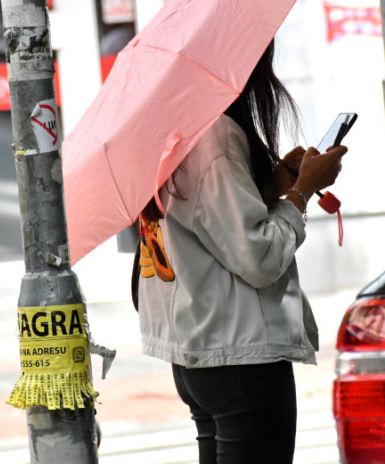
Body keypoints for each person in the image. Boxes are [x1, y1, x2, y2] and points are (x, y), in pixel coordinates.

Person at [135, 40, 347, 463]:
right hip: (240, 355)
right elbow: (259, 256)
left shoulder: (172, 128)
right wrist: (302, 192)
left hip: (200, 353)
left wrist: (274, 183)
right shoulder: (216, 136)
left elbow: (209, 218)